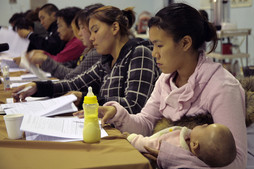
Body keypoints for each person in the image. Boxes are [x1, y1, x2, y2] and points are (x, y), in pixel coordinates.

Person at [94, 3, 247, 169]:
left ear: (185, 43)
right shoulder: (166, 79)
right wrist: (117, 114)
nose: (154, 53)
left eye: (159, 45)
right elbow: (145, 123)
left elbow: (236, 163)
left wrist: (172, 157)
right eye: (153, 45)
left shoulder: (222, 88)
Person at [12, 6, 160, 115]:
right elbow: (74, 82)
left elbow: (134, 105)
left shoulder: (138, 53)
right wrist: (37, 87)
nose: (91, 37)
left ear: (115, 28)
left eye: (95, 30)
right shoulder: (106, 59)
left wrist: (85, 99)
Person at [24, 4, 104, 79]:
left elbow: (75, 76)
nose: (79, 33)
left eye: (82, 27)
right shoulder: (87, 49)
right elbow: (71, 65)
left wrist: (44, 59)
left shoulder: (83, 46)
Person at [127, 123, 236, 167]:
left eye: (204, 127)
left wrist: (131, 138)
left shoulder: (175, 146)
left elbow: (149, 144)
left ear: (194, 145)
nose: (204, 123)